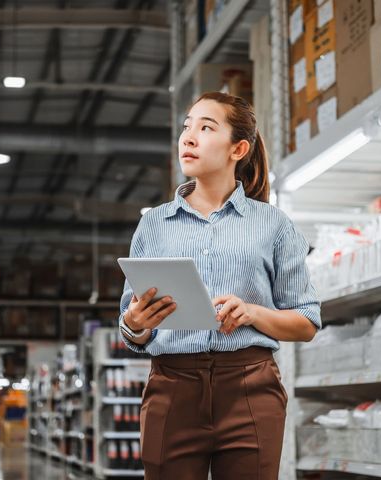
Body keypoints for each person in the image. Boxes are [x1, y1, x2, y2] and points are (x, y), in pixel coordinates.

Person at [118, 91, 321, 480]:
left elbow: (307, 322)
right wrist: (136, 321)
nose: (188, 137)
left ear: (238, 148)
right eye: (186, 127)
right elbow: (131, 332)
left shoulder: (273, 225)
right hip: (172, 388)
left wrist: (254, 313)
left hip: (249, 388)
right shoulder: (154, 225)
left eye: (206, 127)